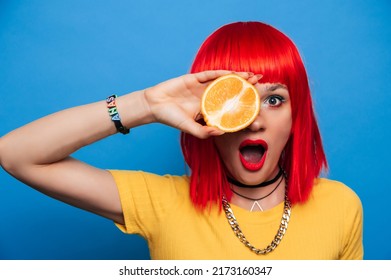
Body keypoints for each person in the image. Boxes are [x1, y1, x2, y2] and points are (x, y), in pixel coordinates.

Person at [0, 21, 363, 259]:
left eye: (274, 99)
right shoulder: (161, 202)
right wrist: (143, 104)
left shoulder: (341, 207)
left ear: (296, 114)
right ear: (206, 111)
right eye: (234, 99)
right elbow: (16, 154)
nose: (254, 122)